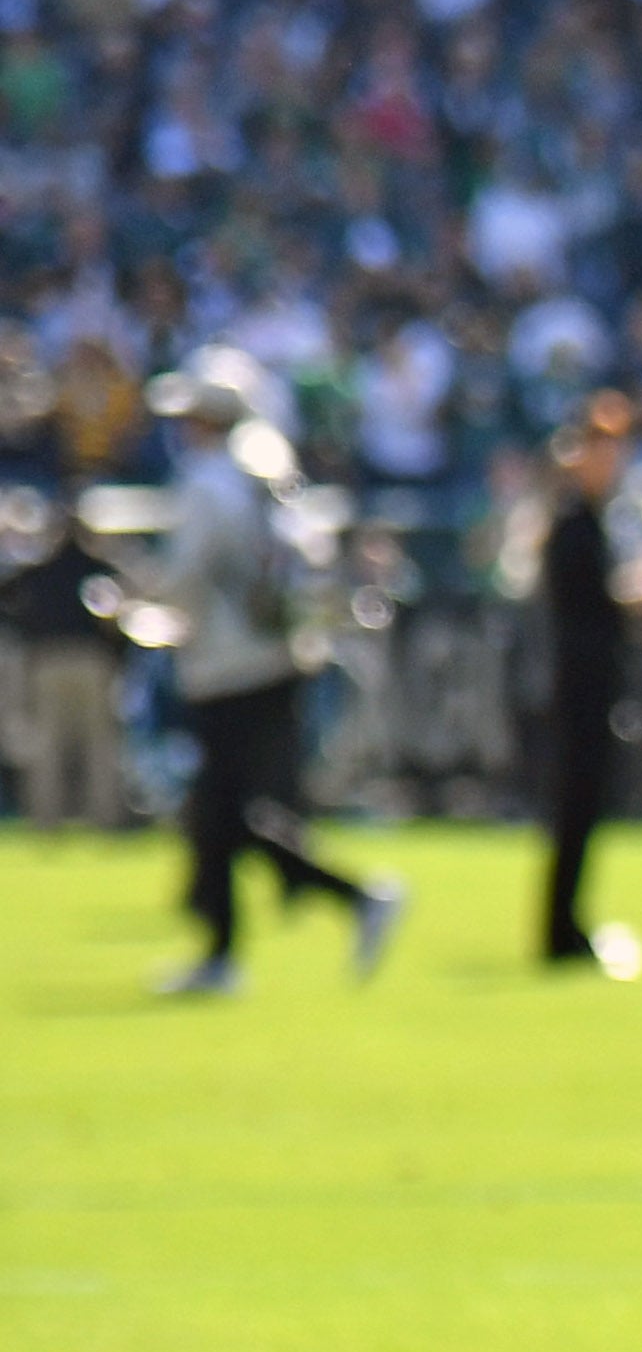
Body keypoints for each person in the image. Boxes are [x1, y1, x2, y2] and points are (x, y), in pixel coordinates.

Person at [146, 351, 400, 994]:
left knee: (223, 814)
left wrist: (145, 603)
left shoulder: (208, 481)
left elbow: (186, 580)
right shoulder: (266, 468)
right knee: (227, 813)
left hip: (227, 663)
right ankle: (238, 944)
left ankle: (346, 899)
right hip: (278, 658)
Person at [536, 394, 641, 978]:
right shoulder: (574, 523)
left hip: (589, 685)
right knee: (574, 810)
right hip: (580, 689)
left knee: (583, 812)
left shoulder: (591, 520)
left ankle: (567, 922)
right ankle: (560, 929)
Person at [5, 498, 132, 830]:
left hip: (48, 660)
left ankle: (47, 820)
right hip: (91, 660)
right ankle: (105, 818)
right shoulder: (99, 567)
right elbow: (121, 617)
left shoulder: (38, 570)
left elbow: (12, 607)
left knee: (49, 742)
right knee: (99, 744)